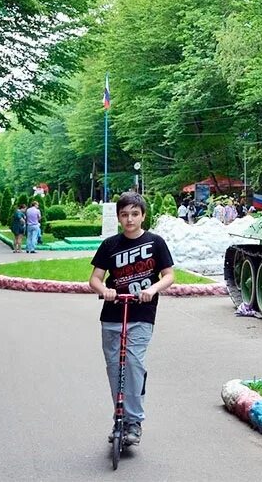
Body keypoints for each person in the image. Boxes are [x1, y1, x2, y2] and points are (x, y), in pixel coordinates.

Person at [89, 192, 175, 449]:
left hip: (141, 314)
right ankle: (120, 418)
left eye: (134, 214)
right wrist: (104, 290)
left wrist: (153, 290)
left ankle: (134, 421)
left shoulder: (155, 242)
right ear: (118, 217)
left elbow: (169, 275)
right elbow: (94, 278)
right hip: (113, 314)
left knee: (134, 364)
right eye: (124, 214)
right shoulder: (110, 245)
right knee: (115, 367)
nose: (129, 219)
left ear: (143, 216)